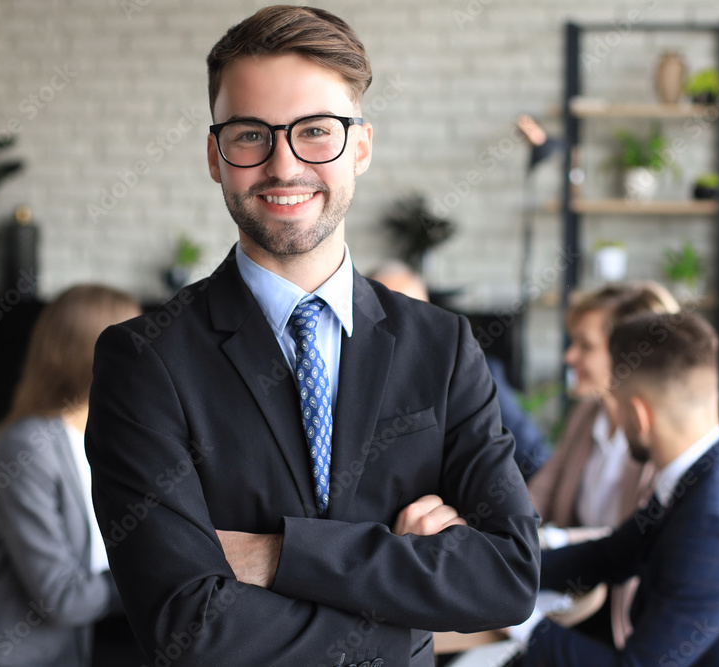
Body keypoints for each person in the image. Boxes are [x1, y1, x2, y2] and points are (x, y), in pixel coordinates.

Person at [84, 6, 539, 667]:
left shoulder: (442, 347)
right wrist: (406, 615)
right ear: (215, 155)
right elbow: (186, 626)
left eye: (315, 131)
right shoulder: (144, 360)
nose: (284, 165)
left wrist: (279, 554)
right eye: (250, 135)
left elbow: (509, 574)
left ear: (360, 145)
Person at [517, 312, 719, 666]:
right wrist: (505, 573)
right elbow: (610, 555)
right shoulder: (709, 465)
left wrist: (518, 622)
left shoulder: (717, 523)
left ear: (639, 415)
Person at [0, 285, 143, 667]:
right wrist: (151, 579)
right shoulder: (28, 448)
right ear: (91, 353)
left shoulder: (107, 437)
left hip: (77, 648)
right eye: (136, 340)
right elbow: (63, 598)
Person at [526, 281, 678, 646]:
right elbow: (543, 489)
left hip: (621, 610)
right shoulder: (588, 413)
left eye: (585, 345)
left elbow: (637, 538)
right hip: (573, 587)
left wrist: (553, 539)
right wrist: (498, 529)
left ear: (630, 352)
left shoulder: (660, 435)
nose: (569, 357)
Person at [368, 261, 550, 480]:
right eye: (388, 313)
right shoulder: (343, 378)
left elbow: (534, 456)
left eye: (414, 310)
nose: (404, 325)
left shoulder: (474, 372)